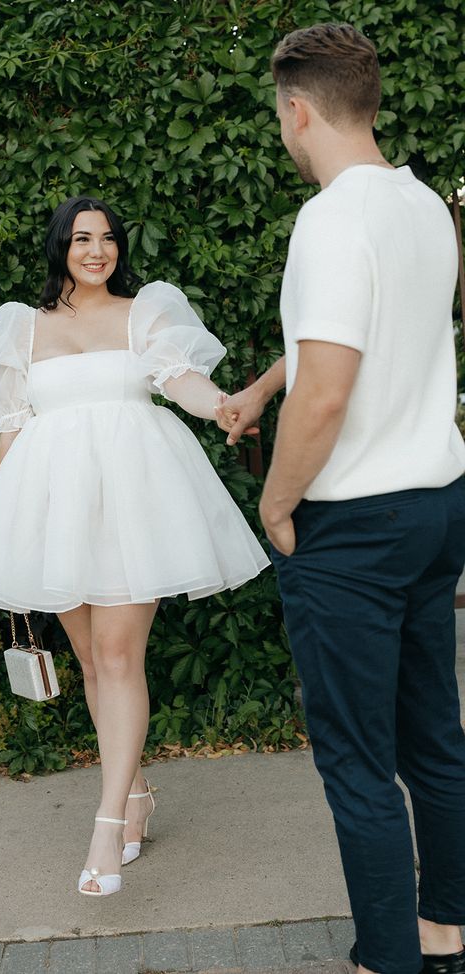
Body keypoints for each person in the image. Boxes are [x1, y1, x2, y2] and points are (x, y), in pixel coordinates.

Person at [217, 22, 465, 974]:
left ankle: (387, 961)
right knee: (432, 739)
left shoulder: (327, 221)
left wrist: (280, 505)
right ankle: (446, 930)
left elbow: (331, 390)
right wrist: (264, 386)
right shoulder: (419, 209)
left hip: (354, 528)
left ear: (298, 110)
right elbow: (358, 336)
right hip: (437, 505)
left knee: (359, 765)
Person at [0, 195, 270, 896]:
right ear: (59, 247)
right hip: (56, 510)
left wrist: (221, 403)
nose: (97, 251)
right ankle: (133, 795)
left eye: (107, 239)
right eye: (81, 238)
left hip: (134, 502)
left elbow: (178, 380)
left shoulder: (143, 313)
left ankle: (104, 825)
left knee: (121, 654)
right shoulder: (22, 328)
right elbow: (12, 426)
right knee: (94, 664)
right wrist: (7, 522)